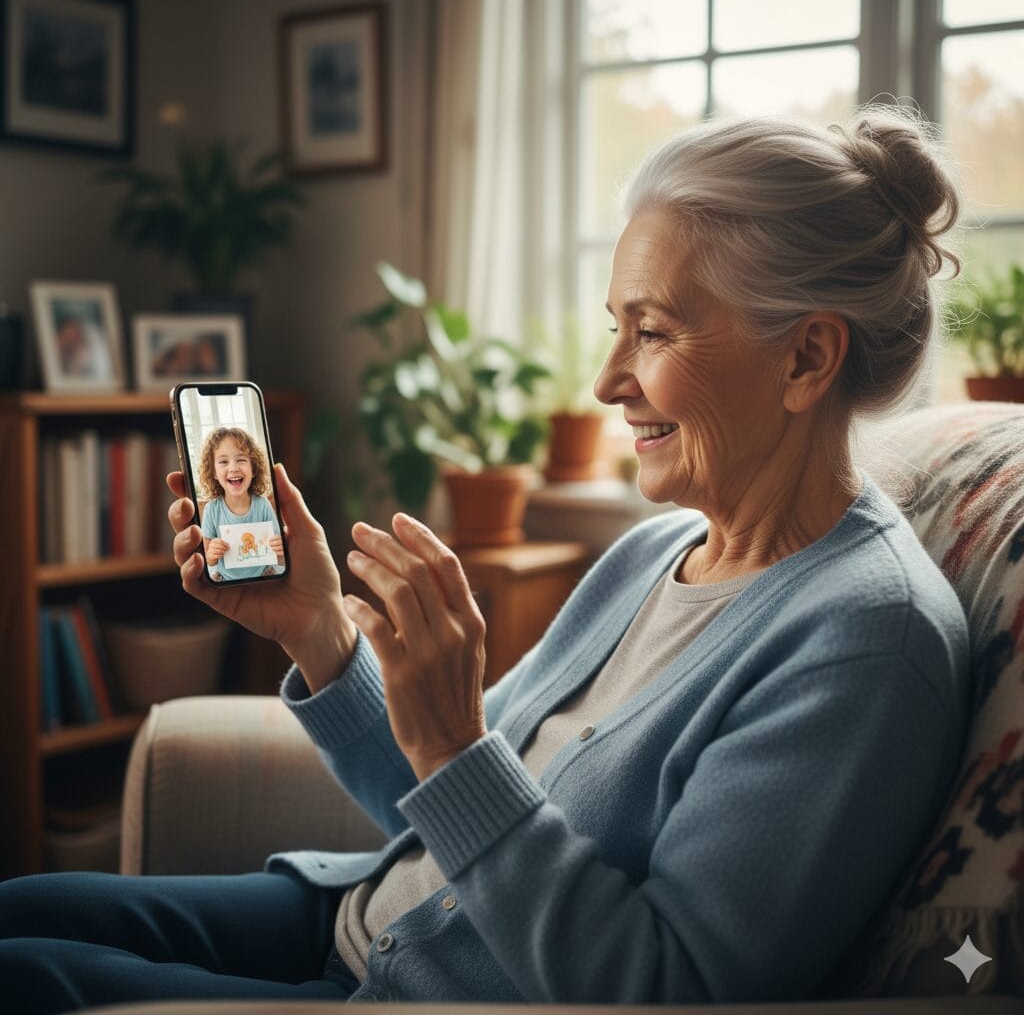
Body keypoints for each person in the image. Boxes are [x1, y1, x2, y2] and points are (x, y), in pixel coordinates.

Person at [0, 103, 970, 1010]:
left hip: (410, 992)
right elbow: (442, 805)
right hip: (353, 921)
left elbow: (666, 985)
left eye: (652, 330)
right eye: (613, 327)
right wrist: (321, 631)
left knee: (28, 974)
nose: (604, 380)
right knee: (22, 905)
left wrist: (460, 749)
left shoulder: (866, 643)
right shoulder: (654, 554)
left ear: (805, 358)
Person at [197, 426, 285, 580]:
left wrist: (280, 547)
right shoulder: (212, 509)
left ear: (254, 468)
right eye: (223, 461)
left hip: (264, 574)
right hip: (224, 578)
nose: (233, 468)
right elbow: (208, 560)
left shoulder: (263, 505)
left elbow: (278, 552)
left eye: (241, 459)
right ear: (213, 472)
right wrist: (211, 555)